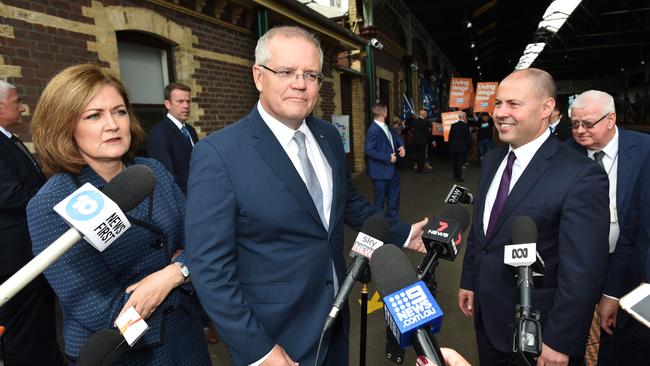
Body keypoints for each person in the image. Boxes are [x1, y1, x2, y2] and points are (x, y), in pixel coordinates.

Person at [185, 26, 427, 366]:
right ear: (258, 76)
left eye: (311, 74)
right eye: (286, 72)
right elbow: (209, 269)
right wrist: (259, 351)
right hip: (276, 338)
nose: (300, 83)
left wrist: (403, 233)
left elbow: (347, 202)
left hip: (335, 314)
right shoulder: (219, 154)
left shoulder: (327, 136)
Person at [26, 64, 211, 365]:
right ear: (64, 126)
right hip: (124, 352)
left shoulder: (153, 171)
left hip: (187, 337)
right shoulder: (52, 203)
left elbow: (206, 244)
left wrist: (173, 274)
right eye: (93, 116)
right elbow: (104, 312)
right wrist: (186, 272)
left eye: (119, 111)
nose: (112, 124)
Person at [458, 68, 610, 366]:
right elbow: (483, 232)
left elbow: (583, 272)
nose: (500, 112)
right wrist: (470, 281)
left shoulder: (581, 175)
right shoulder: (492, 161)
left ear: (547, 108)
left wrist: (559, 341)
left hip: (542, 337)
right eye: (498, 103)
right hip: (488, 322)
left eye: (514, 104)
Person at [568, 90, 650, 365]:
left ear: (611, 119)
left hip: (630, 262)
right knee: (573, 333)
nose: (579, 131)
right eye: (574, 123)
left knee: (622, 336)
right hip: (580, 263)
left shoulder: (644, 149)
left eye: (588, 124)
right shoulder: (566, 154)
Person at [0, 81, 64, 365]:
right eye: (16, 101)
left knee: (41, 318)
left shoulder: (8, 138)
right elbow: (10, 194)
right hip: (14, 257)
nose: (22, 107)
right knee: (24, 324)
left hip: (31, 251)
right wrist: (54, 197)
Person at [147, 83, 198, 194]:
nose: (186, 106)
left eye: (188, 101)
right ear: (167, 104)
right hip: (182, 199)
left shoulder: (191, 130)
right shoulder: (159, 133)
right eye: (180, 101)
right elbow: (166, 175)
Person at [364, 103, 405, 224]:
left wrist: (401, 145)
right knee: (379, 203)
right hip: (380, 173)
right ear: (384, 113)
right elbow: (369, 150)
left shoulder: (385, 126)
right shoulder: (373, 130)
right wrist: (387, 158)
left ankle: (393, 225)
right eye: (387, 110)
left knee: (394, 199)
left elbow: (396, 137)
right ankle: (378, 227)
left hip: (392, 172)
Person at [448, 111, 470, 182]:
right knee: (460, 162)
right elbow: (467, 137)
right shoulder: (466, 126)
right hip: (462, 147)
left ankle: (454, 175)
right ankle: (458, 176)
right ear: (464, 117)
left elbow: (450, 137)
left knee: (454, 161)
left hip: (454, 146)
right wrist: (468, 147)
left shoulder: (453, 125)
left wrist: (450, 146)